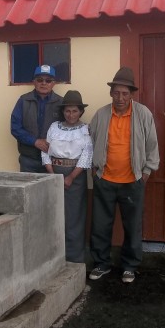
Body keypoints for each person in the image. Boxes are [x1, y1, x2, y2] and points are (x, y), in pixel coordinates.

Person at [87, 67, 160, 283]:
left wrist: (146, 172)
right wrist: (95, 169)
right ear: (111, 93)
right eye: (117, 93)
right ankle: (101, 264)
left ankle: (130, 266)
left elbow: (152, 145)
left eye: (125, 94)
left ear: (132, 94)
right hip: (105, 180)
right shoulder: (101, 114)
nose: (120, 98)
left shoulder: (143, 114)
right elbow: (90, 143)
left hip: (132, 181)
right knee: (100, 225)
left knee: (132, 226)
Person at [42, 90, 93, 263]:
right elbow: (45, 151)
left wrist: (71, 177)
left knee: (74, 217)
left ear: (81, 112)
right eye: (67, 111)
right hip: (53, 173)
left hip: (76, 176)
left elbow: (87, 155)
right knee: (55, 215)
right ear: (63, 112)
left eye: (75, 111)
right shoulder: (54, 127)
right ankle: (56, 258)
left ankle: (75, 259)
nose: (71, 114)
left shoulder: (85, 130)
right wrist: (52, 174)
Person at [10, 65, 63, 173]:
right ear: (34, 82)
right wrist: (35, 142)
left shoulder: (61, 103)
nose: (44, 83)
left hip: (53, 159)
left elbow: (67, 128)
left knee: (51, 190)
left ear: (54, 83)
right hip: (28, 160)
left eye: (48, 80)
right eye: (40, 80)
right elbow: (15, 128)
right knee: (28, 189)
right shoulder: (23, 100)